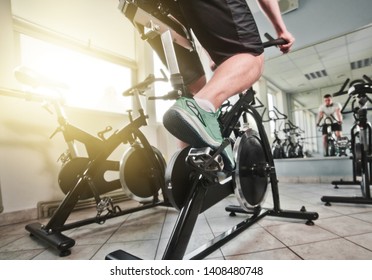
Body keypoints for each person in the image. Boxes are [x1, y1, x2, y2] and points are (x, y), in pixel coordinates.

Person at [157, 0, 295, 171]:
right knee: (252, 57)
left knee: (195, 87)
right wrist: (281, 29)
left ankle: (187, 170)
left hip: (147, 6)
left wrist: (212, 56)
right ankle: (199, 108)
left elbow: (196, 19)